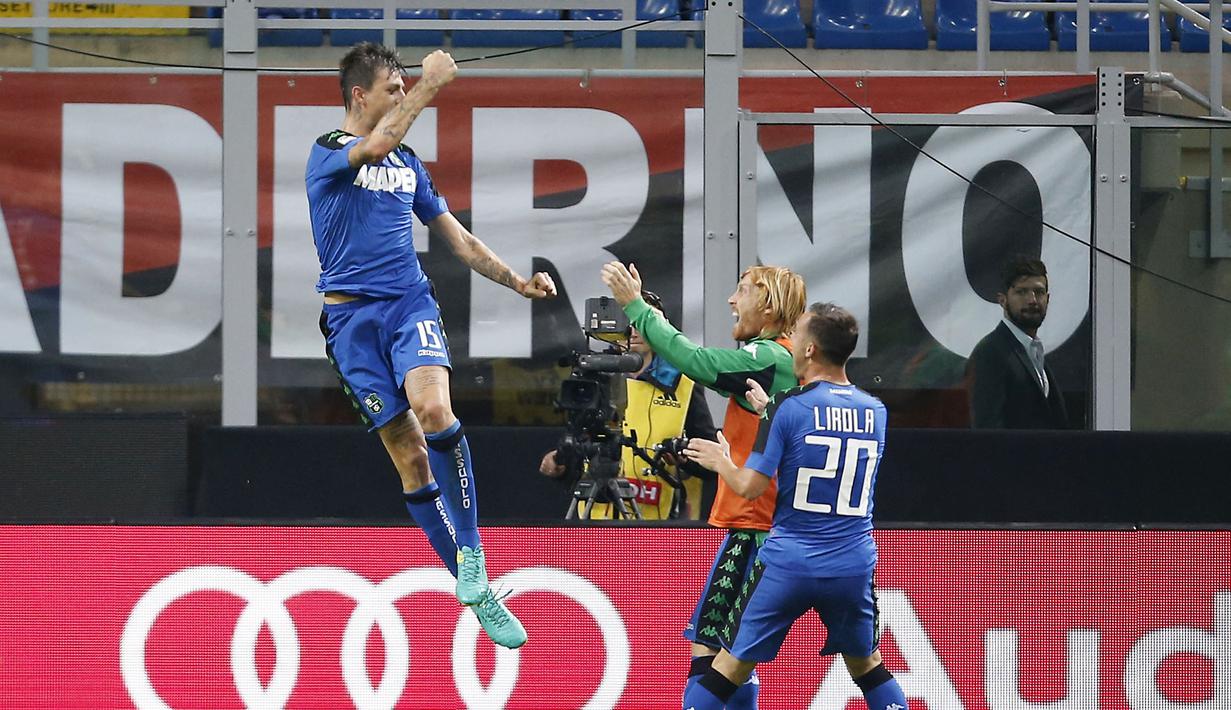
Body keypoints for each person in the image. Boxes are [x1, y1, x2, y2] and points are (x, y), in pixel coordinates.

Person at [305, 43, 557, 649]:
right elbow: (374, 145)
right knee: (410, 458)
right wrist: (432, 86)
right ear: (360, 96)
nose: (404, 95)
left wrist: (517, 281)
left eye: (406, 88)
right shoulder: (328, 153)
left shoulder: (408, 163)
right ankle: (478, 593)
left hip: (407, 305)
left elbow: (459, 240)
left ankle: (473, 556)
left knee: (436, 411)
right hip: (350, 325)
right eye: (394, 89)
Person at [681, 303, 909, 710]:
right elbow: (822, 437)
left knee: (728, 666)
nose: (791, 343)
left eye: (799, 333)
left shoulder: (787, 406)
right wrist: (769, 409)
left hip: (789, 561)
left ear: (810, 350)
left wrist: (721, 461)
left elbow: (750, 488)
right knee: (869, 666)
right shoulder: (876, 411)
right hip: (852, 563)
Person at [601, 261, 804, 708]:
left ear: (768, 305)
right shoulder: (774, 357)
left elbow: (695, 361)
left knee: (730, 656)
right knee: (712, 648)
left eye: (742, 291)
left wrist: (636, 306)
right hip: (750, 525)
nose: (732, 301)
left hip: (764, 528)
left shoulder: (770, 357)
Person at [538, 290, 720, 520]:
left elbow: (710, 461)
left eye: (644, 321)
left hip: (656, 521)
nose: (634, 331)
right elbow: (580, 444)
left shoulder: (684, 383)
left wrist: (686, 461)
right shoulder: (594, 378)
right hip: (596, 517)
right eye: (627, 322)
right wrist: (560, 464)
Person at [966, 255, 1069, 429]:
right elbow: (986, 429)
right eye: (1021, 292)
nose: (1032, 300)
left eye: (1039, 292)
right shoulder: (990, 352)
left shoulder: (1034, 351)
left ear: (1048, 298)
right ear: (1002, 300)